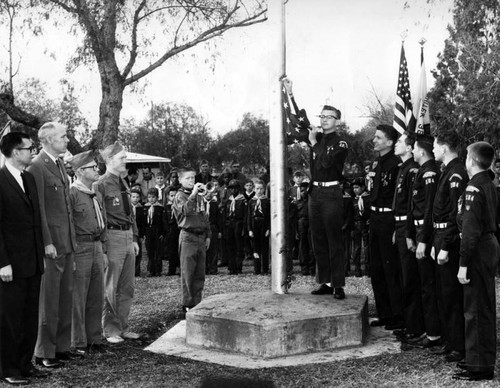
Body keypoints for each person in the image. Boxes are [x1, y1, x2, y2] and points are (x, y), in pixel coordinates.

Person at [283, 77, 348, 300]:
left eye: (329, 117)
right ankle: (325, 281)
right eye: (322, 116)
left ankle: (338, 284)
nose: (324, 120)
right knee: (317, 238)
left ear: (337, 121)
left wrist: (313, 143)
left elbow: (328, 163)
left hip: (331, 193)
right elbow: (301, 122)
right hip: (315, 194)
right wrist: (291, 95)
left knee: (333, 239)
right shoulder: (316, 136)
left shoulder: (340, 143)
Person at [28, 122, 77, 368]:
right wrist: (47, 242)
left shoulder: (58, 164)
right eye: (63, 136)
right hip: (52, 245)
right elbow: (39, 210)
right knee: (49, 300)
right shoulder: (37, 166)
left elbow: (65, 208)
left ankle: (61, 347)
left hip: (66, 242)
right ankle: (44, 352)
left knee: (65, 297)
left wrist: (71, 241)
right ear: (47, 140)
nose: (67, 140)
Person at [0, 133, 46, 384]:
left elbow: (35, 222)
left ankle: (24, 364)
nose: (32, 152)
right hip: (11, 265)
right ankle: (8, 369)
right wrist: (2, 262)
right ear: (16, 152)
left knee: (29, 317)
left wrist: (40, 256)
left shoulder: (28, 178)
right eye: (29, 148)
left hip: (32, 262)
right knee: (9, 318)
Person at [454, 142, 499, 382]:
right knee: (483, 306)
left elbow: (470, 231)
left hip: (478, 249)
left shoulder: (474, 187)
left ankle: (480, 366)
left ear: (471, 160)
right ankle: (479, 360)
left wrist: (463, 264)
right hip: (487, 245)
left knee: (476, 309)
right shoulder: (488, 183)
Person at [95, 141, 140, 344]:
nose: (125, 161)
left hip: (127, 236)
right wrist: (104, 245)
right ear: (109, 161)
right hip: (112, 237)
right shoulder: (101, 184)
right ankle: (110, 329)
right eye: (121, 158)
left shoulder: (123, 182)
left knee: (127, 286)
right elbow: (100, 218)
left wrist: (135, 237)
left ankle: (123, 326)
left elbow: (130, 213)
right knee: (110, 286)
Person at [431, 130, 468, 362]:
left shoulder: (456, 174)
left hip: (449, 238)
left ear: (444, 148)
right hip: (440, 234)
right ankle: (451, 340)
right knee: (444, 294)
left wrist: (444, 244)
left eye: (435, 146)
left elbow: (457, 214)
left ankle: (458, 346)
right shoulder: (448, 171)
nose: (433, 149)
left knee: (452, 296)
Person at [68, 151, 106, 355]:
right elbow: (70, 224)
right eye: (92, 167)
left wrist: (104, 248)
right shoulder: (72, 193)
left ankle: (95, 338)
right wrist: (72, 252)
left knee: (96, 294)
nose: (97, 170)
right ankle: (78, 341)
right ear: (80, 171)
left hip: (97, 245)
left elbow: (103, 221)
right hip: (80, 247)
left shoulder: (95, 193)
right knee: (78, 295)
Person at [405, 135, 441, 348]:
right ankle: (429, 329)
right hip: (418, 230)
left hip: (425, 233)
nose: (412, 152)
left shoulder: (430, 174)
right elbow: (413, 206)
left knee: (429, 286)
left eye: (415, 148)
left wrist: (423, 240)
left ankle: (435, 333)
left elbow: (429, 210)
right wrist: (411, 233)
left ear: (422, 151)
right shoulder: (420, 172)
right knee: (423, 285)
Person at [368, 124, 403, 329]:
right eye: (375, 137)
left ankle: (397, 316)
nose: (374, 140)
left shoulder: (396, 164)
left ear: (390, 142)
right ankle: (384, 314)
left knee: (391, 269)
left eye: (378, 138)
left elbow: (398, 197)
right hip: (375, 217)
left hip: (389, 219)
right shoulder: (376, 163)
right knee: (377, 268)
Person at [391, 132, 424, 344]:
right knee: (404, 276)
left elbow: (413, 205)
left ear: (411, 148)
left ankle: (415, 328)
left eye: (400, 142)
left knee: (411, 278)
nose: (396, 145)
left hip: (408, 226)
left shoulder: (413, 170)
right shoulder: (403, 168)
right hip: (401, 224)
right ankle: (409, 323)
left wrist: (409, 232)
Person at [172, 167, 211, 313]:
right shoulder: (180, 196)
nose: (191, 181)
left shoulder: (198, 196)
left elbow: (204, 216)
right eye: (187, 178)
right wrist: (194, 193)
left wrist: (208, 235)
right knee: (188, 272)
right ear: (181, 180)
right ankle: (188, 304)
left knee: (199, 272)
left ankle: (197, 301)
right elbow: (186, 211)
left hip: (200, 236)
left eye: (193, 178)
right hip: (188, 236)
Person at [222, 179, 246, 274]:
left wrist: (244, 227)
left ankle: (238, 267)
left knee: (239, 246)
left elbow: (245, 215)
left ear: (239, 188)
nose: (233, 190)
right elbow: (224, 215)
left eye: (236, 188)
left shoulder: (242, 200)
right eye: (231, 188)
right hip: (229, 224)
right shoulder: (228, 201)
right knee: (230, 246)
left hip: (238, 224)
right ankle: (231, 267)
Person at [247, 180, 270, 275]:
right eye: (257, 189)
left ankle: (265, 269)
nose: (259, 191)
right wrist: (249, 229)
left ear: (264, 189)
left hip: (263, 224)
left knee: (264, 248)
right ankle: (257, 269)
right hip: (254, 223)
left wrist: (268, 228)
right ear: (254, 189)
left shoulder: (267, 201)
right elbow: (248, 216)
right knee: (255, 248)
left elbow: (269, 216)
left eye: (261, 189)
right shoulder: (251, 201)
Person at [144, 188, 166, 277]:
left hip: (157, 231)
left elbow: (164, 222)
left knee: (158, 251)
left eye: (153, 197)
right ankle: (150, 270)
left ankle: (158, 270)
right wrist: (143, 233)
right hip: (148, 230)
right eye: (149, 197)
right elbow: (143, 222)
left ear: (157, 197)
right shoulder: (145, 207)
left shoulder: (160, 208)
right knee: (150, 251)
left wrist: (163, 233)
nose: (151, 199)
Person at [350, 178, 370, 277]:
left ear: (363, 187)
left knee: (367, 247)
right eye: (353, 188)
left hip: (366, 224)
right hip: (356, 225)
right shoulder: (353, 200)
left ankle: (368, 269)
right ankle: (357, 269)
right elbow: (350, 214)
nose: (355, 190)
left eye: (357, 187)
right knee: (356, 248)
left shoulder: (368, 198)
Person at [296, 182, 315, 276]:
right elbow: (295, 217)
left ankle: (312, 268)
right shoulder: (297, 202)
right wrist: (296, 230)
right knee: (302, 246)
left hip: (312, 223)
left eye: (305, 190)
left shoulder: (313, 202)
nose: (304, 192)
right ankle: (304, 268)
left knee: (312, 246)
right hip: (301, 224)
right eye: (302, 190)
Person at [204, 185, 221, 275]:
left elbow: (219, 218)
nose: (208, 195)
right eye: (206, 193)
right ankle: (204, 268)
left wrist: (219, 231)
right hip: (203, 228)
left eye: (210, 193)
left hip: (213, 227)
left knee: (213, 248)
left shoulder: (215, 204)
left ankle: (213, 268)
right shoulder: (201, 204)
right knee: (204, 248)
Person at [130, 187, 146, 277]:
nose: (135, 199)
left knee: (138, 253)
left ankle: (137, 271)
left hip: (138, 233)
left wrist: (142, 235)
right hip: (129, 232)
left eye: (137, 197)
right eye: (133, 197)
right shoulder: (127, 208)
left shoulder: (141, 209)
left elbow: (143, 223)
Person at [164, 187, 180, 276]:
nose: (173, 197)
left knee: (180, 250)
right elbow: (164, 220)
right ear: (167, 196)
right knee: (171, 251)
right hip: (170, 231)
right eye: (171, 195)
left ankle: (181, 269)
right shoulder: (166, 207)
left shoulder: (179, 206)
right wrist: (167, 230)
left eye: (175, 195)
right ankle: (171, 270)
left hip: (178, 229)